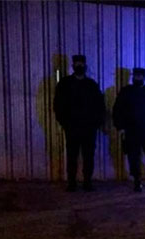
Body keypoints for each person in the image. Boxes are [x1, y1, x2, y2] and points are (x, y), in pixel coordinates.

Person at [53, 54, 105, 192]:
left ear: (85, 66)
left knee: (88, 156)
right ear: (73, 65)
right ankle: (72, 183)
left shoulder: (91, 85)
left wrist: (96, 123)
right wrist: (65, 122)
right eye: (77, 64)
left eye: (81, 64)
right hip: (72, 127)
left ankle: (87, 182)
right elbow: (58, 105)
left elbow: (100, 106)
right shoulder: (65, 84)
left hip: (89, 128)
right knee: (72, 155)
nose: (79, 66)